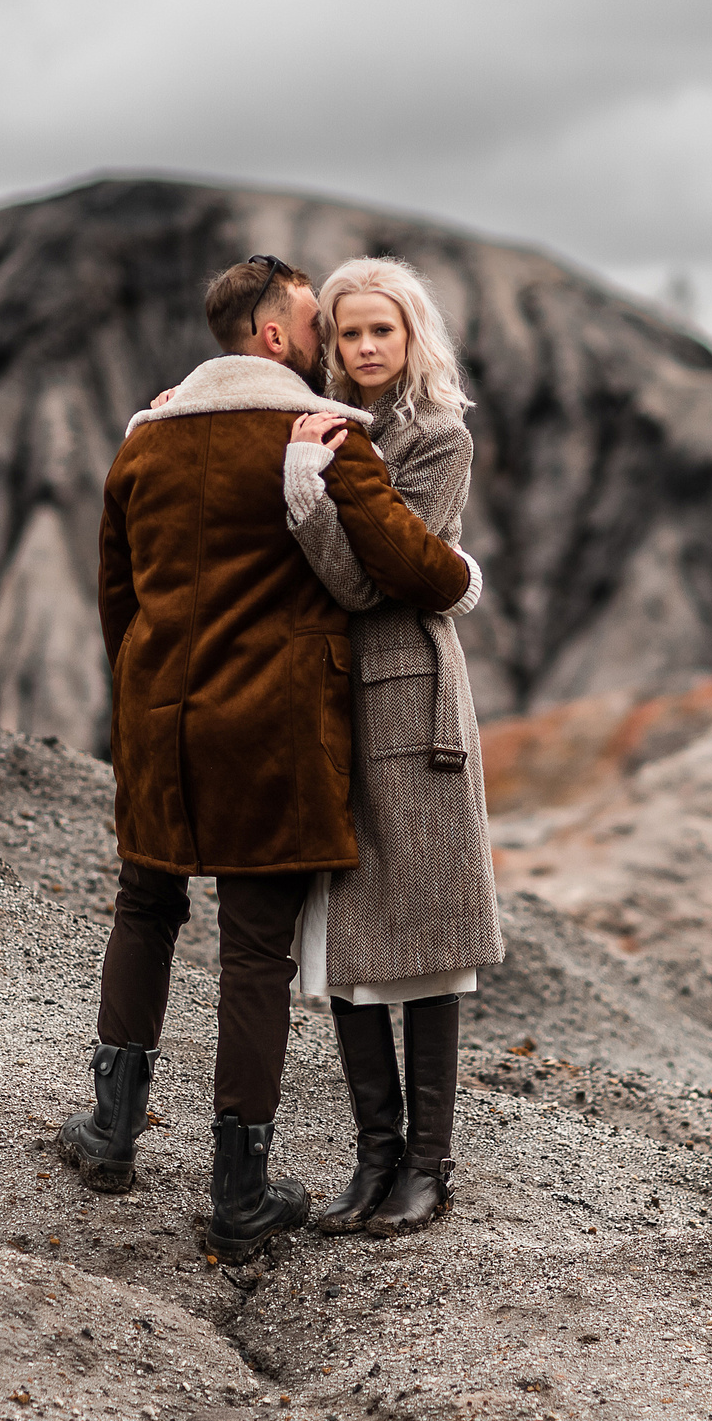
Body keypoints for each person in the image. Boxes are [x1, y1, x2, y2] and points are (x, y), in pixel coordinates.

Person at [56, 254, 476, 1266]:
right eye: (320, 328)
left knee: (145, 909)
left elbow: (114, 597)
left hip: (161, 727)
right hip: (275, 742)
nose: (340, 348)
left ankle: (110, 1135)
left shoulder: (142, 444)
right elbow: (419, 570)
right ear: (280, 339)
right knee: (252, 955)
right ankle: (239, 1190)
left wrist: (152, 696)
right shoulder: (328, 445)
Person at [281, 257, 503, 1238]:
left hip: (408, 700)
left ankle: (428, 1167)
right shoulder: (315, 425)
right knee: (345, 943)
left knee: (427, 940)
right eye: (349, 333)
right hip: (332, 704)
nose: (365, 348)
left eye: (382, 331)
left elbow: (376, 582)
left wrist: (309, 499)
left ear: (411, 338)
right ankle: (374, 1163)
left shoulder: (436, 437)